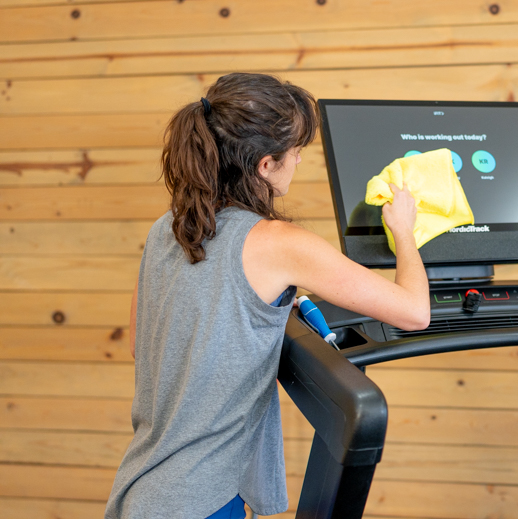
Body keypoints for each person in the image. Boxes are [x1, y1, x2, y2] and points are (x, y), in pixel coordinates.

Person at [104, 73, 430, 519]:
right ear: (264, 165)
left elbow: (145, 343)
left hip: (143, 491)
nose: (299, 158)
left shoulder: (168, 228)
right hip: (203, 501)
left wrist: (251, 314)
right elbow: (414, 311)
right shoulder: (279, 243)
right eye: (294, 150)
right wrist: (404, 231)